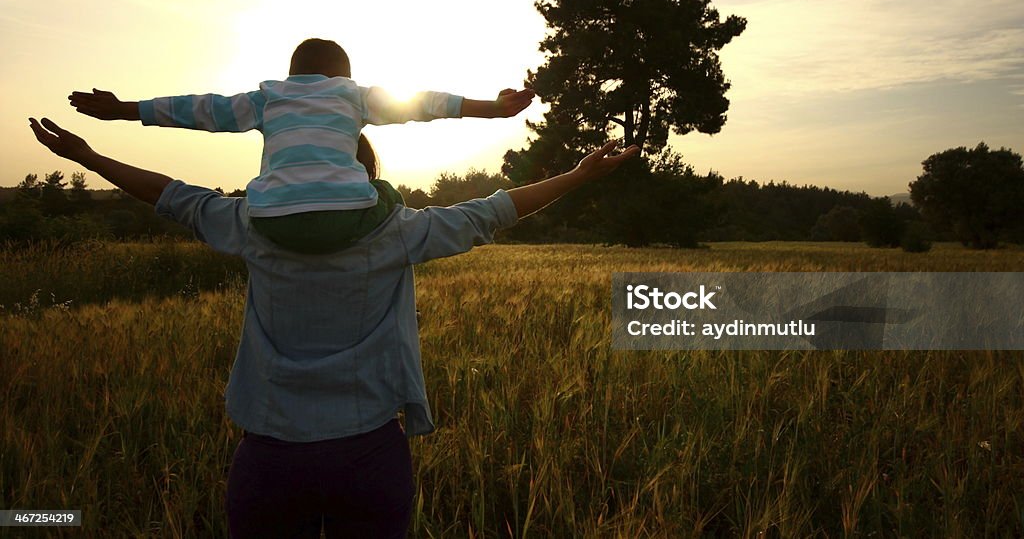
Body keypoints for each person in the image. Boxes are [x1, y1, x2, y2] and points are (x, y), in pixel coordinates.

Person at [28, 116, 639, 538]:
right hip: (370, 455)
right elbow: (496, 211)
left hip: (269, 458)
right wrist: (581, 175)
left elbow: (172, 195)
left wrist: (87, 156)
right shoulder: (399, 230)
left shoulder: (251, 224)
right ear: (365, 177)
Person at [67, 38, 535, 253]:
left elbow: (200, 109)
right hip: (347, 215)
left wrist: (126, 109)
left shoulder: (268, 98)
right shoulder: (353, 95)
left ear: (292, 75)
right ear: (344, 76)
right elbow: (422, 103)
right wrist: (490, 109)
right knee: (389, 197)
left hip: (273, 222)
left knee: (264, 192)